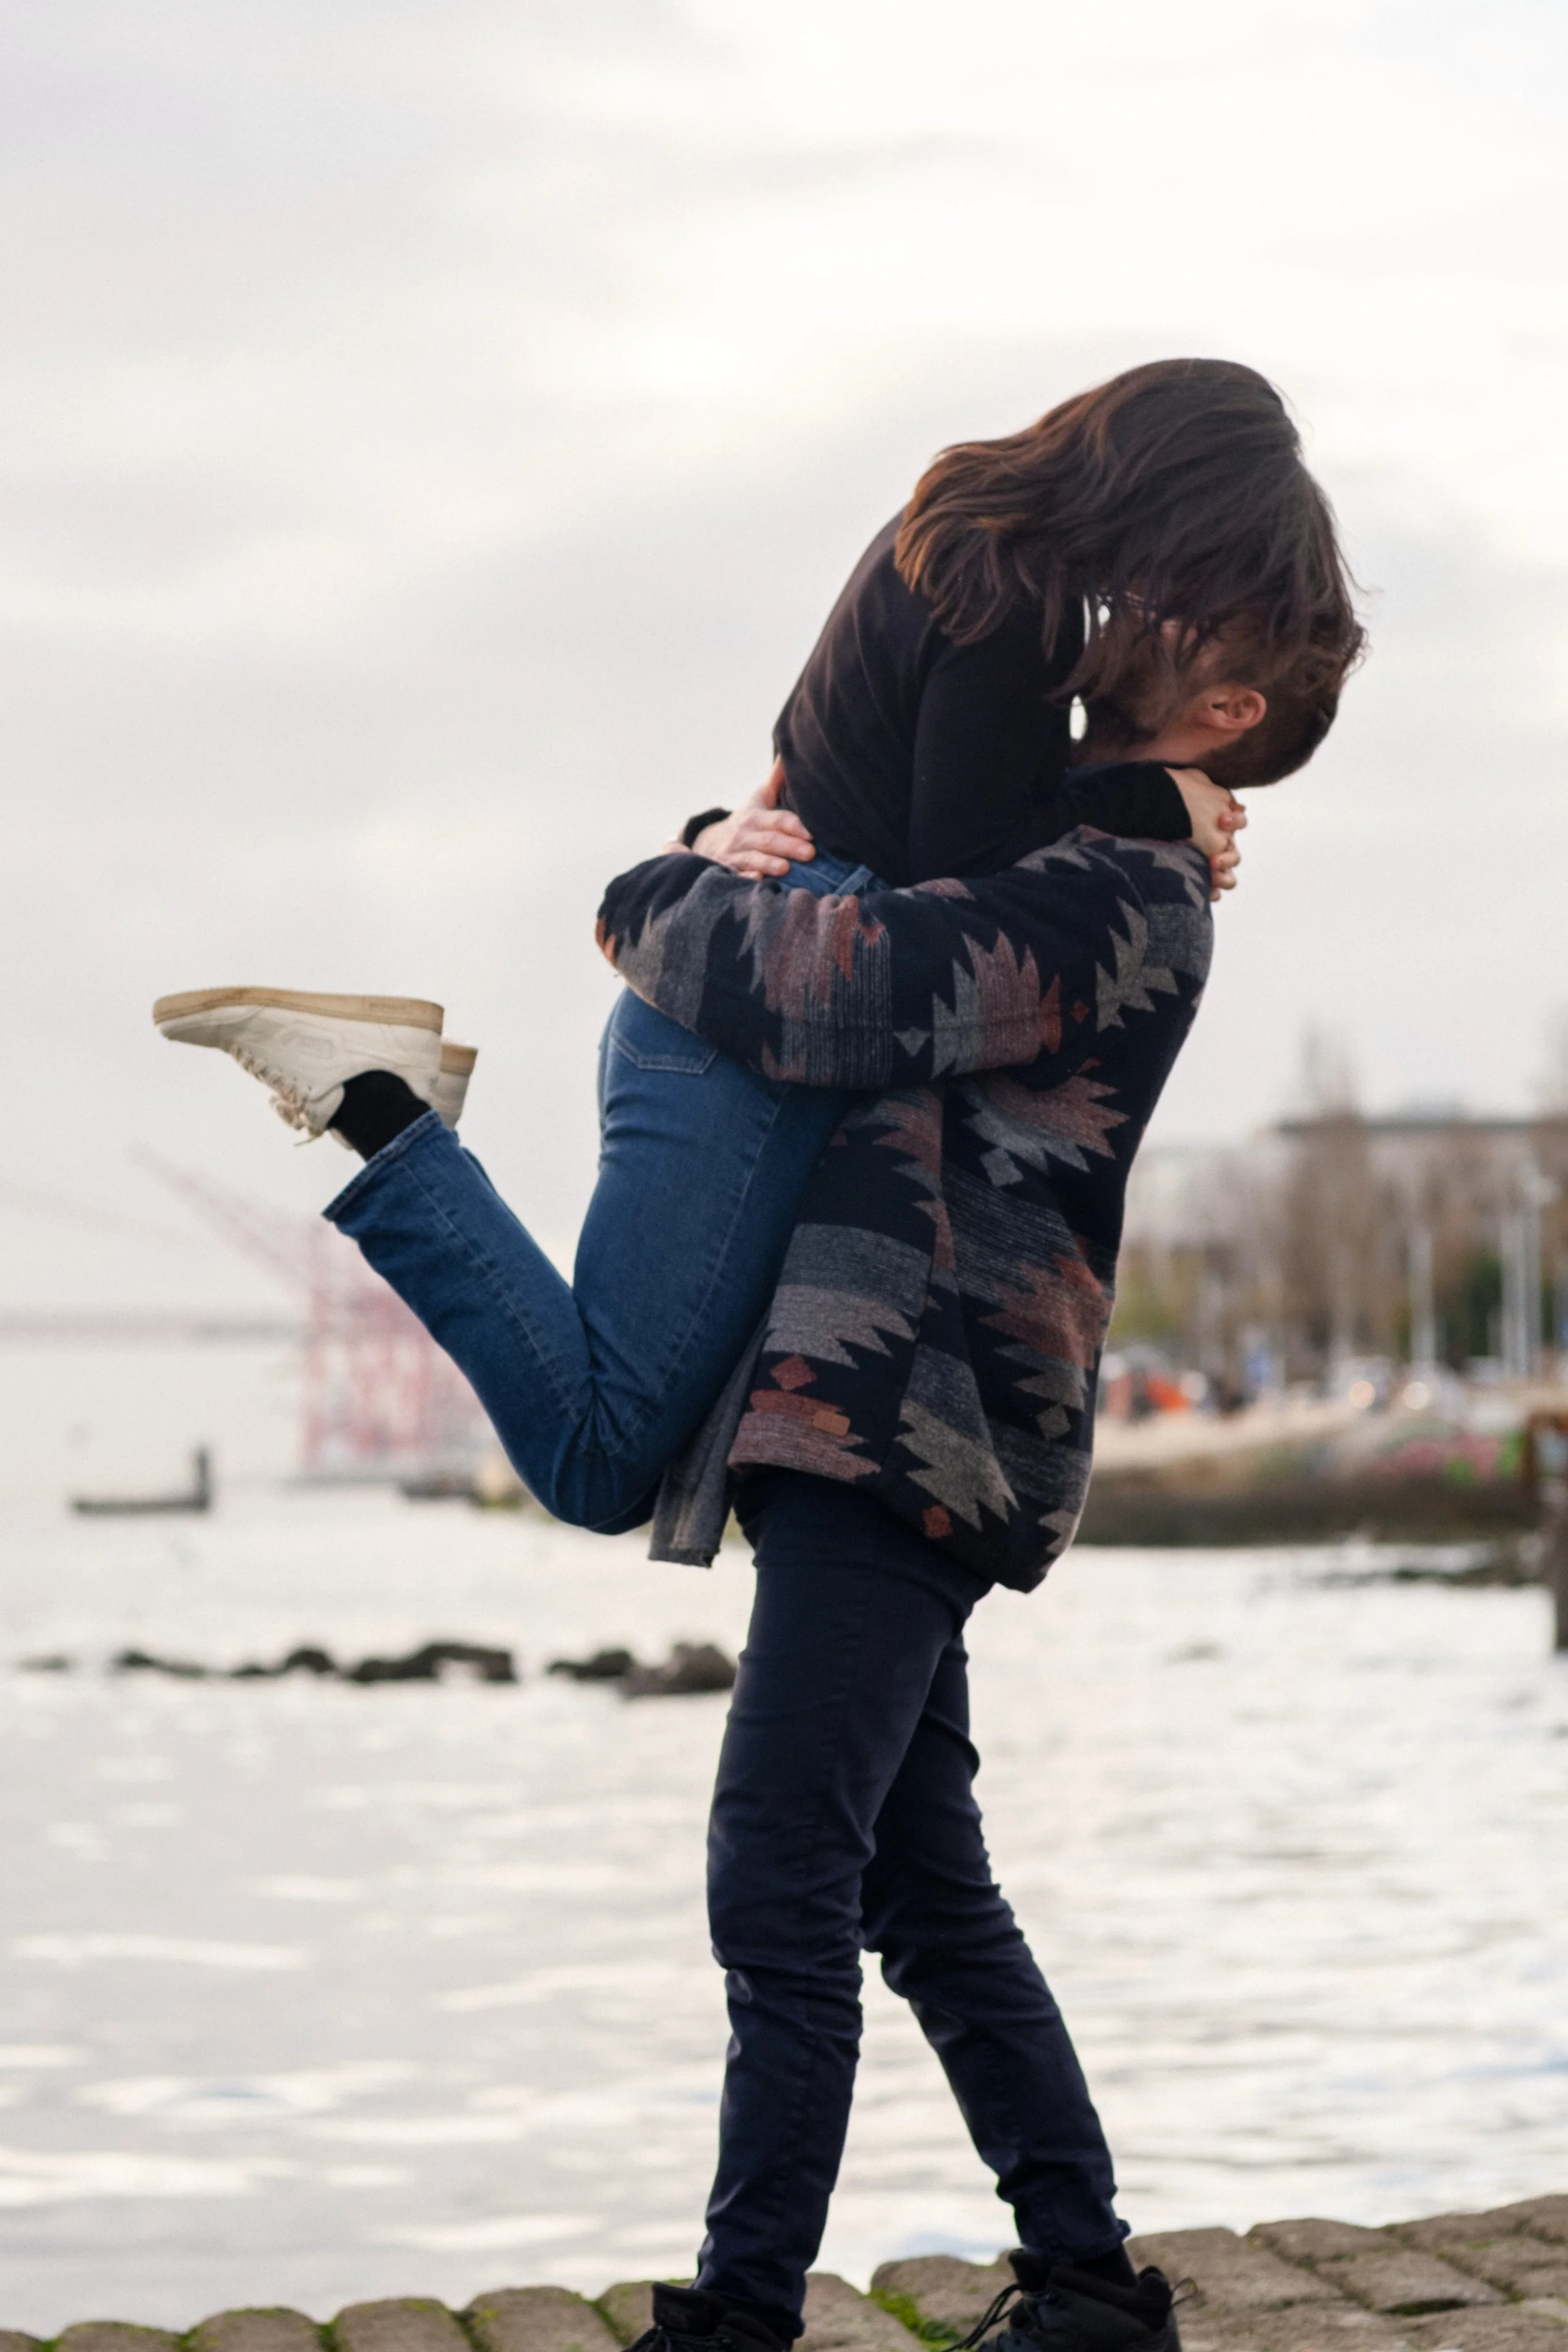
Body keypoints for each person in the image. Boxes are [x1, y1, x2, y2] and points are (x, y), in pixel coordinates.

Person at [155, 361, 1364, 2352]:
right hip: (895, 1405)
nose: (1130, 628)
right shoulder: (1103, 829)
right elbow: (895, 850)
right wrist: (729, 837)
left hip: (916, 1408)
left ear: (1228, 695)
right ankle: (1082, 2280)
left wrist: (653, 884)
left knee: (777, 1868)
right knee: (914, 1885)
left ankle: (740, 2318)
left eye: (1184, 622)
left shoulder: (1119, 892)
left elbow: (828, 978)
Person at [154, 359, 1357, 1540]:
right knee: (595, 1455)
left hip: (724, 995)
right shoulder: (1020, 603)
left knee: (616, 1452)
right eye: (1210, 561)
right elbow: (971, 867)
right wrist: (1159, 808)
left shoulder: (951, 531)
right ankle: (383, 1111)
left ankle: (392, 1116)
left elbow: (808, 770)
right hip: (760, 1008)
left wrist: (697, 834)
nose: (1180, 600)